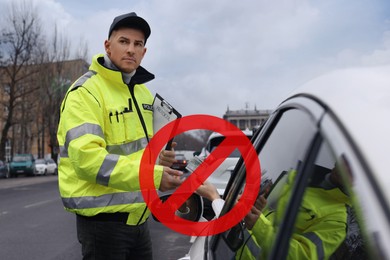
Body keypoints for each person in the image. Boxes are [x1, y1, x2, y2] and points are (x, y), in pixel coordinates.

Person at [57, 12, 184, 260]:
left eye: (138, 45)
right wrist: (154, 175)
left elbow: (140, 154)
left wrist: (160, 160)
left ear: (144, 52)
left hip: (139, 221)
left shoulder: (144, 94)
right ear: (108, 46)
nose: (131, 50)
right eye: (124, 41)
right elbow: (88, 161)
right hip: (103, 224)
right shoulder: (85, 93)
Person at [195, 162, 352, 260]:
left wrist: (215, 197)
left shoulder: (338, 219)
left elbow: (301, 256)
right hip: (233, 251)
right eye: (345, 158)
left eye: (352, 165)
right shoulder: (299, 176)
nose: (346, 164)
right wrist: (260, 209)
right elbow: (275, 218)